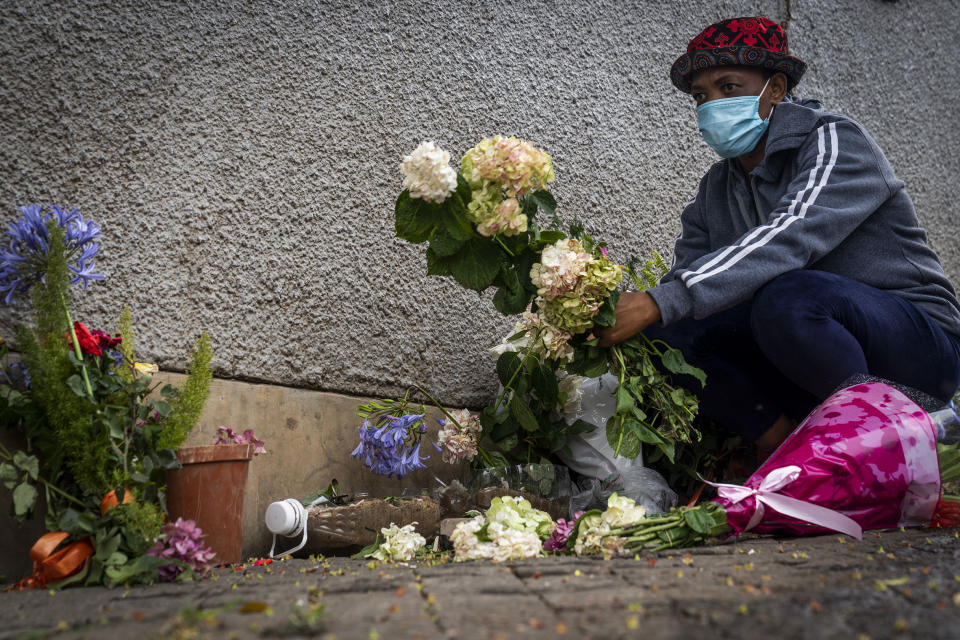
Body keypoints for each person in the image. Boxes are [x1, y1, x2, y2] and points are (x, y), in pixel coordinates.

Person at [597, 16, 960, 456]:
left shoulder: (832, 140)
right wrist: (637, 310)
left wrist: (660, 300)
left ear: (775, 89)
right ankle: (787, 452)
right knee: (670, 331)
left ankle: (878, 450)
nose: (712, 105)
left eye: (728, 87)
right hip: (806, 355)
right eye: (700, 96)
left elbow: (790, 235)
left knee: (786, 294)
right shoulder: (717, 188)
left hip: (917, 349)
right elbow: (687, 282)